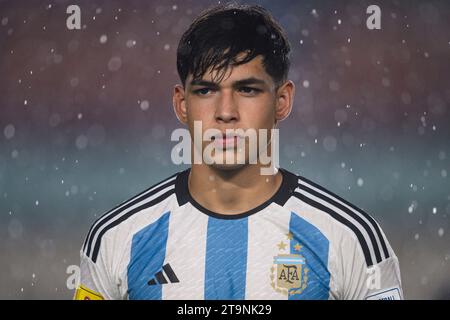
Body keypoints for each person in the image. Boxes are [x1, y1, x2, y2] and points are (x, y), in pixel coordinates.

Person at [75, 4, 403, 300]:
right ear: (181, 104)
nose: (226, 112)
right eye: (206, 90)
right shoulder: (117, 239)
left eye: (247, 89)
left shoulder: (351, 239)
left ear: (282, 101)